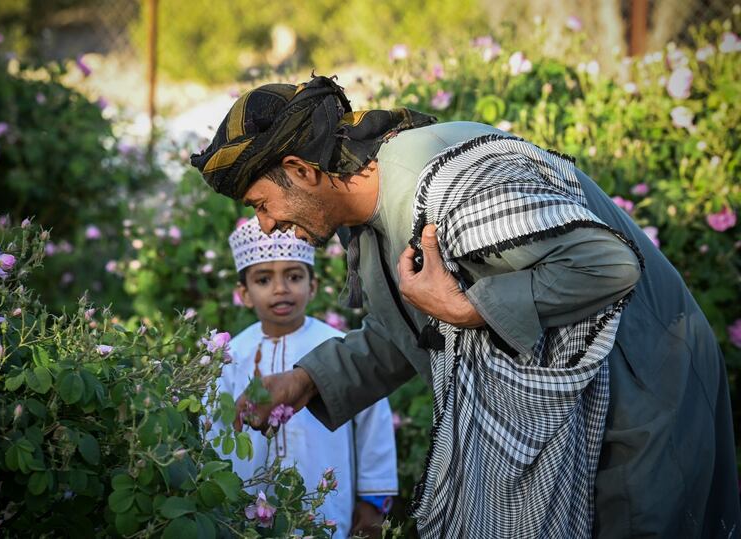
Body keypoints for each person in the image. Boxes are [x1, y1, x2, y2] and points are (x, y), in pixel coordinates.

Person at [191, 75, 740, 538]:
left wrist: (473, 306)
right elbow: (415, 326)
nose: (264, 224)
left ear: (303, 169)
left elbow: (606, 265)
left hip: (642, 387)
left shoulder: (445, 183)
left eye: (262, 204)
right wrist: (305, 380)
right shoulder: (371, 209)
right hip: (579, 402)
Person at [213, 216, 398, 538]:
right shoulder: (232, 355)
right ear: (243, 293)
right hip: (245, 507)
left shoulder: (338, 348)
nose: (281, 289)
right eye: (263, 280)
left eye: (294, 276)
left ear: (311, 286)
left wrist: (372, 501)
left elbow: (373, 424)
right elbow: (214, 431)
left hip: (325, 505)